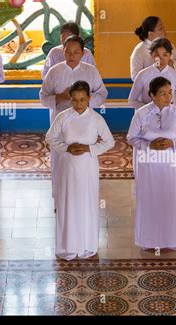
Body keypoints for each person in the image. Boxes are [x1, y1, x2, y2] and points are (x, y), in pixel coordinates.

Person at [46, 80, 115, 260]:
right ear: (70, 99)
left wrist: (89, 149)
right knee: (68, 203)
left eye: (82, 100)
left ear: (89, 99)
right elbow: (50, 138)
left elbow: (109, 141)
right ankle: (68, 246)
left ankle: (87, 245)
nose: (78, 104)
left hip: (88, 167)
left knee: (87, 203)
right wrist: (66, 148)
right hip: (68, 166)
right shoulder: (63, 117)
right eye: (75, 100)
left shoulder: (96, 118)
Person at [40, 35, 107, 204]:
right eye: (68, 51)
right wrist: (60, 97)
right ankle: (59, 198)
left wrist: (87, 102)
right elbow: (43, 96)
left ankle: (83, 198)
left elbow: (102, 93)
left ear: (83, 53)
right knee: (60, 158)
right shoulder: (54, 71)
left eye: (76, 52)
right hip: (61, 122)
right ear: (63, 51)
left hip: (85, 122)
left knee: (84, 157)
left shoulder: (90, 71)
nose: (71, 55)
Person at [127, 77, 176, 251]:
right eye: (163, 93)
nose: (168, 97)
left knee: (170, 199)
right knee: (149, 200)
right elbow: (131, 138)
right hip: (148, 165)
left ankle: (170, 240)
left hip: (170, 166)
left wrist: (172, 143)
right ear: (152, 95)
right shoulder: (141, 114)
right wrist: (150, 145)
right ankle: (149, 240)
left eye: (170, 93)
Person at [129, 38, 176, 110]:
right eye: (157, 55)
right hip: (146, 117)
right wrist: (149, 109)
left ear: (170, 56)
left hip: (169, 117)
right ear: (151, 55)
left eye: (165, 55)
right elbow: (132, 100)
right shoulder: (142, 75)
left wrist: (168, 109)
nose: (161, 59)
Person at [130, 16, 176, 81]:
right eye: (161, 28)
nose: (165, 30)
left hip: (172, 87)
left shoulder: (169, 44)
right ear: (151, 34)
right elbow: (135, 76)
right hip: (150, 89)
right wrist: (154, 71)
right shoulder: (139, 50)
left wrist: (172, 65)